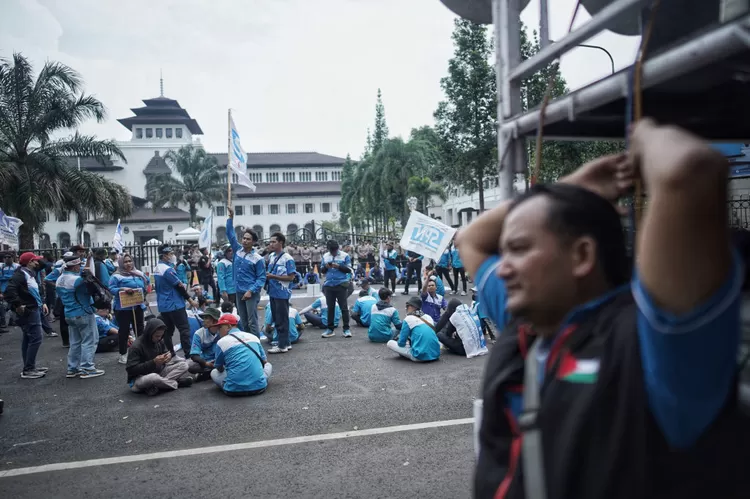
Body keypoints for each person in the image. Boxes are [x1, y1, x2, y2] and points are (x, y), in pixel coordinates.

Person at [460, 121, 750, 498]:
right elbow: (471, 239)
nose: (503, 266)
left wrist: (644, 133)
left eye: (518, 248)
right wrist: (571, 187)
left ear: (582, 256)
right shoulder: (526, 323)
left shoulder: (653, 342)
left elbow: (690, 171)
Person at [56, 255, 105, 379]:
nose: (80, 267)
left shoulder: (60, 279)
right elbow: (91, 289)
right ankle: (87, 368)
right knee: (90, 340)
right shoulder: (77, 280)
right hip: (83, 312)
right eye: (78, 265)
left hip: (69, 313)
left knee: (75, 342)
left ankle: (72, 368)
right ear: (74, 266)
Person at [4, 252, 49, 378]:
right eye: (35, 260)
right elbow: (9, 291)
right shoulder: (20, 275)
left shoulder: (29, 273)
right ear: (30, 262)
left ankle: (29, 366)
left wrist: (42, 302)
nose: (37, 263)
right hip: (29, 310)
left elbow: (43, 265)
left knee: (28, 338)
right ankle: (29, 369)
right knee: (36, 337)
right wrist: (18, 305)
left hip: (33, 307)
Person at [126, 318, 193, 396]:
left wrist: (168, 356)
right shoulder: (136, 346)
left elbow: (165, 352)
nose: (159, 338)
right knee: (153, 378)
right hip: (140, 378)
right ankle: (176, 383)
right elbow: (131, 370)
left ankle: (158, 386)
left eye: (161, 336)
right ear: (149, 333)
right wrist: (153, 362)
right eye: (157, 336)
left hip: (159, 372)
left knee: (184, 365)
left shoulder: (159, 340)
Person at [153, 244, 199, 358]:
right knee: (184, 329)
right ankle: (189, 355)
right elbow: (179, 286)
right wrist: (190, 300)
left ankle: (171, 355)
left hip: (163, 305)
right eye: (170, 254)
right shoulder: (168, 270)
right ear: (164, 256)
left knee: (167, 332)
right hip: (175, 304)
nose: (172, 256)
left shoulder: (157, 268)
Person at [226, 207, 266, 337]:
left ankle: (256, 345)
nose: (245, 241)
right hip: (238, 291)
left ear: (254, 242)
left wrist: (251, 291)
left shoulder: (257, 258)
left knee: (252, 321)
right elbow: (230, 234)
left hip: (250, 293)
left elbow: (261, 278)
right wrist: (230, 219)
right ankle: (246, 343)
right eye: (244, 238)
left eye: (248, 239)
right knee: (242, 320)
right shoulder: (237, 250)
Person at [211, 314, 272, 396]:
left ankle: (232, 384)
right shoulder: (253, 337)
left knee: (214, 372)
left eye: (220, 327)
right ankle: (258, 380)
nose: (219, 331)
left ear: (228, 326)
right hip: (259, 386)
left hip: (233, 390)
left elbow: (219, 368)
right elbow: (264, 362)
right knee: (268, 365)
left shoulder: (221, 342)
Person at [108, 253, 149, 364]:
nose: (128, 264)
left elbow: (147, 282)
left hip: (138, 306)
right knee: (124, 331)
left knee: (140, 330)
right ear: (121, 263)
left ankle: (141, 352)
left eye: (130, 261)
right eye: (125, 262)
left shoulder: (138, 273)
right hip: (123, 308)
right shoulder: (116, 276)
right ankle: (123, 354)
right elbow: (111, 288)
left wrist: (145, 290)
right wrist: (122, 288)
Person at [265, 232, 297, 353]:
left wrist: (273, 276)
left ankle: (282, 345)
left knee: (281, 319)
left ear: (281, 243)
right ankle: (286, 342)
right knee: (278, 317)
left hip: (282, 292)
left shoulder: (287, 259)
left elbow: (291, 277)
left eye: (274, 242)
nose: (271, 244)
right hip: (273, 291)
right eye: (270, 242)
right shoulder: (272, 256)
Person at [386, 296, 440, 362]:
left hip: (419, 356)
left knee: (390, 343)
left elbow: (401, 343)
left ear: (411, 307)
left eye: (407, 306)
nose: (406, 308)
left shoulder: (408, 319)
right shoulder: (428, 317)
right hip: (435, 354)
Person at [320, 239, 352, 338]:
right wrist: (326, 267)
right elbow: (322, 271)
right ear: (328, 249)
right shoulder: (325, 256)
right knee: (330, 308)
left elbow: (349, 270)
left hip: (341, 284)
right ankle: (330, 329)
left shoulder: (344, 255)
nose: (333, 253)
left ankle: (346, 329)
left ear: (337, 248)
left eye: (334, 250)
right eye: (331, 251)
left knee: (344, 307)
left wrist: (338, 266)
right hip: (329, 284)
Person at [187, 307, 221, 381]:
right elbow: (194, 355)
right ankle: (213, 372)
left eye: (206, 318)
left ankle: (208, 373)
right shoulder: (199, 333)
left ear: (215, 321)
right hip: (206, 361)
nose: (203, 320)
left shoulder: (222, 331)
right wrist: (206, 364)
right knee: (190, 366)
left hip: (220, 359)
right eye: (204, 318)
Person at [0, 252, 20, 335]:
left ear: (13, 258)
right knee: (3, 306)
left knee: (13, 304)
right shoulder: (2, 266)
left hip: (13, 288)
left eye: (9, 257)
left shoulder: (17, 266)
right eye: (6, 257)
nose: (7, 259)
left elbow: (16, 277)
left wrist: (6, 277)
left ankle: (13, 320)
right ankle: (3, 322)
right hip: (3, 288)